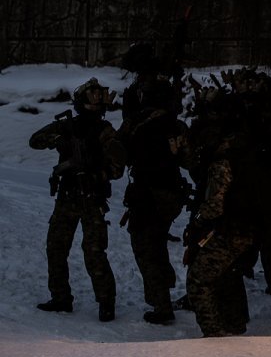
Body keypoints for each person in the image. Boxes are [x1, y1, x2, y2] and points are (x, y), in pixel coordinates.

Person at [29, 78, 127, 322]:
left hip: (92, 198)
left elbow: (117, 168)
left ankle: (106, 302)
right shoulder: (67, 126)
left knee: (94, 252)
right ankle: (60, 297)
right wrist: (58, 140)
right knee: (56, 247)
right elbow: (35, 141)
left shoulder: (106, 132)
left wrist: (95, 173)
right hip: (67, 197)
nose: (92, 108)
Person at [118, 45, 190, 325]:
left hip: (150, 192)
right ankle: (165, 288)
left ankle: (162, 305)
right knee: (155, 242)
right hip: (170, 191)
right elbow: (187, 160)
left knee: (146, 247)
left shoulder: (137, 123)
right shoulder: (174, 125)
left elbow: (118, 152)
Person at [183, 85, 257, 337]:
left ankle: (214, 334)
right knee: (226, 274)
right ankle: (234, 324)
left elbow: (215, 204)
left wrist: (199, 222)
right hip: (243, 226)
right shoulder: (243, 146)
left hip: (230, 228)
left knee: (198, 280)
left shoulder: (223, 157)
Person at [229, 69, 271, 294]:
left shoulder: (267, 119)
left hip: (262, 185)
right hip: (255, 185)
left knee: (266, 232)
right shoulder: (248, 114)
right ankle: (252, 269)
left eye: (253, 84)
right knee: (260, 231)